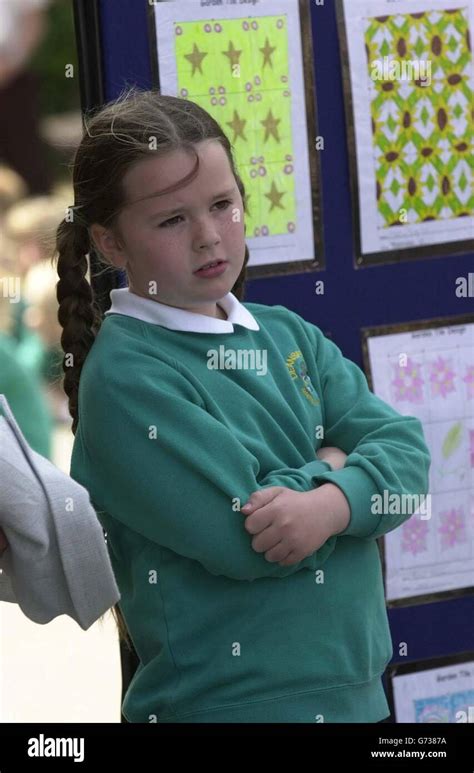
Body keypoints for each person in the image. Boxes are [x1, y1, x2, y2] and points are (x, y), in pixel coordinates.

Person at [54, 86, 431, 723]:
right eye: (172, 219)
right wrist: (338, 470)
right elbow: (248, 538)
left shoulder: (291, 336)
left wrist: (328, 502)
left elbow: (410, 457)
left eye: (223, 205)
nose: (208, 237)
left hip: (361, 706)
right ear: (111, 244)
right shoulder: (125, 378)